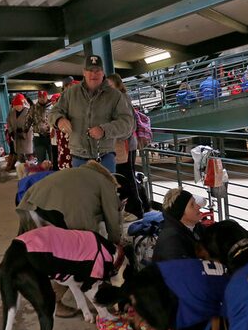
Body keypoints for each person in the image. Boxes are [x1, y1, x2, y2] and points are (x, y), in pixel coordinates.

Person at [16, 160, 123, 317]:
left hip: (29, 205)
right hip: (48, 210)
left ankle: (48, 296)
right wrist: (115, 244)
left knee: (49, 255)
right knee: (75, 256)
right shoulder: (106, 183)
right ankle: (55, 300)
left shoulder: (81, 175)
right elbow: (112, 217)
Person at [50, 55, 134, 173]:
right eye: (90, 71)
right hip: (78, 158)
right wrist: (59, 120)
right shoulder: (70, 93)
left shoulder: (115, 96)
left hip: (105, 157)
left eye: (97, 71)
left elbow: (128, 123)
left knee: (106, 191)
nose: (93, 74)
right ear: (84, 72)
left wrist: (104, 130)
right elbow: (54, 112)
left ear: (102, 72)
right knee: (81, 191)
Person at [106, 73, 144, 220]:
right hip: (124, 144)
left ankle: (135, 210)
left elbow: (129, 125)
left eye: (109, 85)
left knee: (127, 177)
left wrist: (114, 134)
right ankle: (135, 208)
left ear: (117, 85)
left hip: (125, 144)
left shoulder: (121, 99)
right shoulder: (119, 98)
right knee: (126, 177)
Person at [152, 188, 208, 262]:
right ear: (180, 213)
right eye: (192, 205)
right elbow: (179, 270)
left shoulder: (196, 227)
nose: (198, 206)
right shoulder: (172, 241)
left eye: (195, 202)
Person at [5, 93, 31, 172]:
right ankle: (23, 170)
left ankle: (30, 170)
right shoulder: (11, 113)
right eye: (15, 106)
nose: (16, 107)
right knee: (19, 154)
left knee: (28, 154)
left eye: (18, 105)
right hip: (16, 136)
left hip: (26, 136)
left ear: (22, 104)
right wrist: (10, 131)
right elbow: (8, 122)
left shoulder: (28, 111)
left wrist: (23, 129)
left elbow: (31, 124)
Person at [28, 90, 52, 164]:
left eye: (43, 97)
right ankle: (42, 175)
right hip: (38, 138)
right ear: (38, 97)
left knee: (53, 159)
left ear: (46, 97)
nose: (42, 98)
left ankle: (54, 174)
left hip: (51, 137)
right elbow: (28, 121)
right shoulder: (33, 108)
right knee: (41, 160)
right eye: (40, 97)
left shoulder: (53, 107)